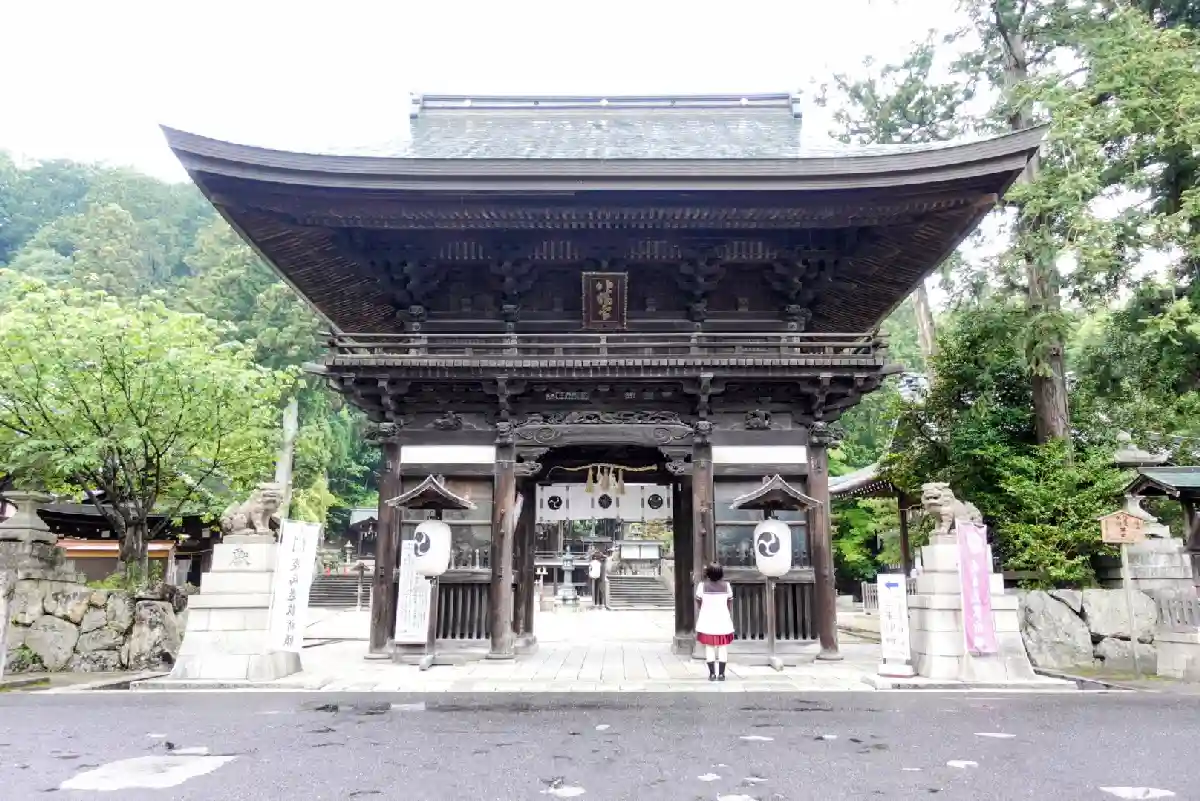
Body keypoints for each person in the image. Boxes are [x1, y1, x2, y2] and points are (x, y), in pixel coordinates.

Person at [694, 562, 735, 681]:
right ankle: (721, 674)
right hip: (723, 620)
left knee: (709, 647)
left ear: (708, 573)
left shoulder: (702, 586)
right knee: (722, 648)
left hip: (707, 620)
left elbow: (699, 601)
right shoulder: (727, 586)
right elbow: (729, 602)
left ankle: (712, 674)